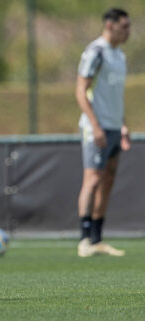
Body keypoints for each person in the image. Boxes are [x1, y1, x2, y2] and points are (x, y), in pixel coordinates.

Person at [76, 8, 131, 257]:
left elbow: (115, 97)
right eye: (124, 26)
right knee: (93, 179)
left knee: (107, 180)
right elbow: (80, 91)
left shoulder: (120, 56)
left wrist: (123, 124)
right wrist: (95, 125)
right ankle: (84, 239)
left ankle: (97, 239)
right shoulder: (95, 52)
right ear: (110, 25)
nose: (128, 31)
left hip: (113, 126)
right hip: (94, 127)